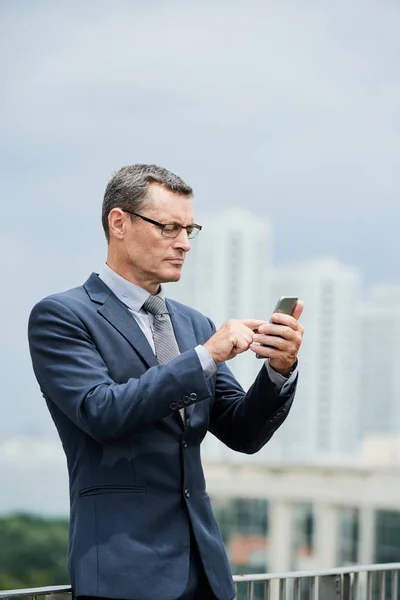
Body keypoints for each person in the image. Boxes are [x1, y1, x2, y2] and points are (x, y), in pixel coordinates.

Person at [28, 164, 304, 600]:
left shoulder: (193, 324)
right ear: (119, 223)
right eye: (169, 228)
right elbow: (103, 413)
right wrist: (206, 356)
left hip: (206, 572)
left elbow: (242, 432)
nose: (183, 244)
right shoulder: (63, 316)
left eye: (190, 230)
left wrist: (279, 369)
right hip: (123, 572)